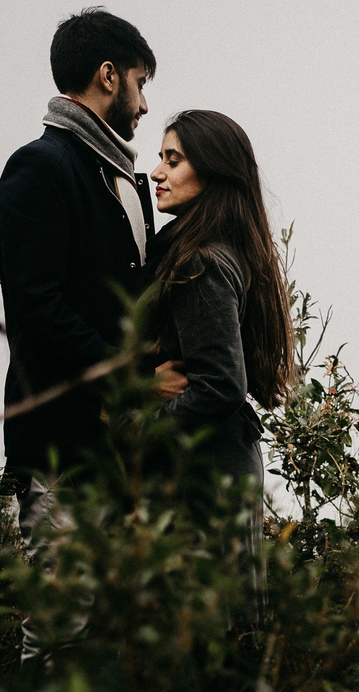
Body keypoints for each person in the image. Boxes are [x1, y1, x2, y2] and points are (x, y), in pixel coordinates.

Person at [0, 8, 184, 551]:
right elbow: (37, 309)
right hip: (60, 452)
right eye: (140, 83)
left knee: (116, 631)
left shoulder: (129, 182)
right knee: (61, 631)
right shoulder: (39, 168)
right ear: (108, 75)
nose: (145, 103)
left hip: (125, 453)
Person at [147, 110, 296, 547]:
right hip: (221, 469)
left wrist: (141, 431)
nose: (157, 172)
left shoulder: (201, 261)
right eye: (161, 158)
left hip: (203, 479)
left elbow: (221, 385)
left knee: (196, 612)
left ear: (214, 171)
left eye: (173, 161)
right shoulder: (227, 251)